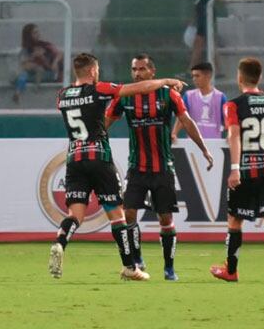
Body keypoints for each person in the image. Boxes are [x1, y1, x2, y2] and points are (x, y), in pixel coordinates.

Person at [48, 52, 186, 281]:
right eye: (97, 70)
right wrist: (166, 81)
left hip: (74, 160)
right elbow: (138, 89)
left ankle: (60, 243)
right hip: (99, 158)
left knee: (75, 215)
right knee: (117, 215)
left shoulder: (62, 96)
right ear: (93, 71)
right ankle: (130, 266)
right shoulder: (99, 89)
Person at [106, 54, 213, 281]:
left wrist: (203, 149)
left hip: (163, 168)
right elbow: (104, 123)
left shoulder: (168, 94)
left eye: (142, 69)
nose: (137, 74)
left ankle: (169, 267)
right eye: (134, 69)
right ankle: (136, 259)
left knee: (165, 219)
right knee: (129, 213)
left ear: (152, 72)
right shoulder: (125, 97)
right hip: (136, 167)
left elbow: (186, 120)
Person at [210, 58, 264, 284]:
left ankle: (232, 271)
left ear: (240, 77)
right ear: (260, 77)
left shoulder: (234, 105)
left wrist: (235, 169)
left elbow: (234, 135)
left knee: (234, 221)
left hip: (245, 171)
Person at [171, 62, 227, 140]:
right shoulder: (188, 96)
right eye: (193, 76)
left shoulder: (220, 97)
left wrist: (230, 135)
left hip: (214, 143)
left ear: (208, 76)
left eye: (197, 76)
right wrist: (174, 133)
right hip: (193, 143)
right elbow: (182, 117)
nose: (194, 79)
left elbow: (226, 120)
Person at [14, 24, 64, 104]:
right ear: (28, 35)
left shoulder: (45, 45)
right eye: (34, 33)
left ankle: (36, 88)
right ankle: (17, 93)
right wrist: (33, 58)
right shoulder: (25, 49)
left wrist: (54, 62)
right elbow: (23, 63)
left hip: (48, 73)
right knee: (21, 75)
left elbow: (59, 54)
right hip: (31, 74)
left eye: (38, 32)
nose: (38, 35)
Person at [187, 0, 224, 68]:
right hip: (201, 17)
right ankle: (219, 69)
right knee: (208, 44)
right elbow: (197, 3)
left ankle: (190, 69)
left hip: (207, 16)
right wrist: (194, 19)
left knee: (198, 44)